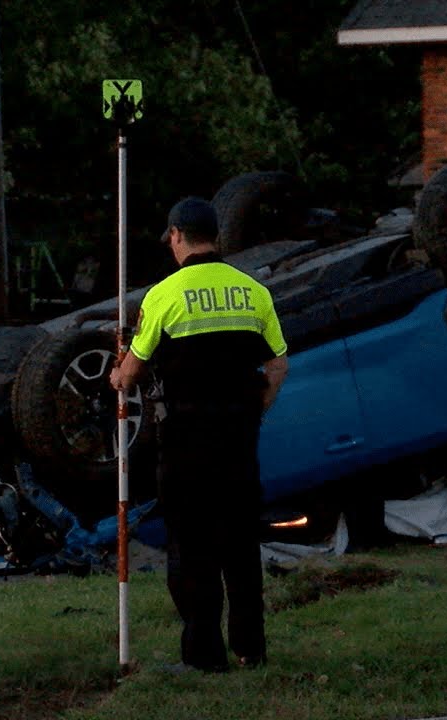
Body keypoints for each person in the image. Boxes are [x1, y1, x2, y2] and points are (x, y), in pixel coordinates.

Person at [110, 196, 289, 673]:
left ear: (176, 236)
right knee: (241, 549)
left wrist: (117, 376)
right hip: (239, 443)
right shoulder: (254, 292)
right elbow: (278, 364)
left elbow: (131, 373)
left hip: (186, 444)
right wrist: (254, 411)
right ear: (217, 237)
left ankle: (204, 657)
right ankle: (251, 649)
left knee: (192, 552)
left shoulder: (163, 296)